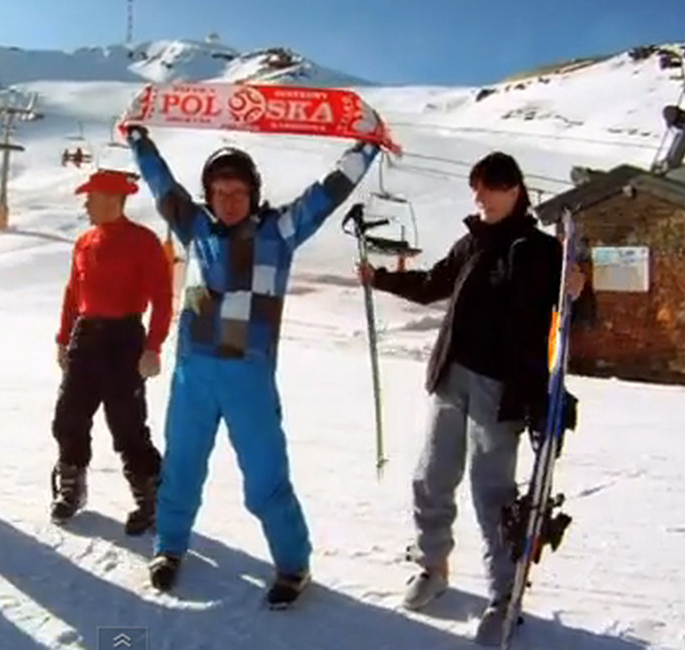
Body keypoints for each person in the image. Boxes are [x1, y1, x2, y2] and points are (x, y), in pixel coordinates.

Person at [126, 124, 380, 608]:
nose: (229, 200)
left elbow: (326, 195)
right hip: (193, 372)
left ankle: (292, 563)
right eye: (219, 192)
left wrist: (366, 149)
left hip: (249, 375)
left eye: (239, 192)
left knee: (265, 476)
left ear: (253, 194)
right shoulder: (193, 227)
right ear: (208, 195)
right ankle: (169, 548)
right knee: (181, 466)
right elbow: (161, 184)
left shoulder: (278, 232)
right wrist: (139, 141)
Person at [357, 151, 585, 645]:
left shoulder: (542, 251)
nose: (478, 196)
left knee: (492, 493)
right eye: (475, 186)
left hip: (500, 390)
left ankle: (505, 595)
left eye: (489, 187)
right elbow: (431, 284)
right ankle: (432, 565)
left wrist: (578, 291)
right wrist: (381, 277)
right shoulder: (471, 243)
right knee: (432, 476)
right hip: (450, 377)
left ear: (514, 191)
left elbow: (580, 317)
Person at [49, 169, 173, 534]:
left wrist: (153, 347)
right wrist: (62, 338)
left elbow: (163, 299)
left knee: (127, 424)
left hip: (124, 339)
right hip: (85, 338)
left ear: (112, 200)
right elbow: (73, 294)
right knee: (68, 417)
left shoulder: (143, 241)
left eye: (91, 197)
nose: (86, 204)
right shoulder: (84, 241)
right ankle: (72, 488)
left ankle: (151, 498)